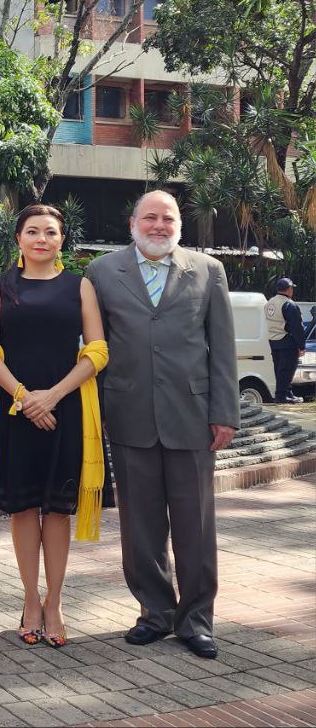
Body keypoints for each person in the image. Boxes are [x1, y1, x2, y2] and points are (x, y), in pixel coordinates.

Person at [86, 190, 238, 660]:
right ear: (132, 222)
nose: (158, 226)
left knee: (195, 525)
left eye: (167, 218)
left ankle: (195, 620)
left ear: (179, 224)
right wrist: (101, 411)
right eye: (149, 217)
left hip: (192, 417)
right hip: (128, 415)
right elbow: (96, 348)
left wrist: (224, 412)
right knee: (139, 525)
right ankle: (155, 613)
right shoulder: (102, 272)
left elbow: (222, 346)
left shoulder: (207, 270)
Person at [0, 205, 110, 648]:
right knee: (25, 508)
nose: (41, 239)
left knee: (57, 510)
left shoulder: (79, 286)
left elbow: (98, 351)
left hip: (66, 410)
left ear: (62, 240)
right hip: (13, 412)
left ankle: (55, 602)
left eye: (51, 232)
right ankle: (30, 599)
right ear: (18, 239)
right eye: (33, 231)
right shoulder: (1, 285)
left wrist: (53, 395)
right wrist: (26, 397)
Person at [265, 277, 306, 404]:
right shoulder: (289, 305)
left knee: (279, 369)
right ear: (288, 289)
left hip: (273, 340)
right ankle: (281, 396)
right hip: (286, 340)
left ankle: (287, 393)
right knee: (287, 369)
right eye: (291, 288)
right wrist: (301, 345)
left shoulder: (269, 303)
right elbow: (296, 328)